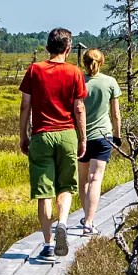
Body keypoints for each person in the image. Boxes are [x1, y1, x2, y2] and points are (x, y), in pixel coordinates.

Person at [18, 28, 87, 260]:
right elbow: (79, 108)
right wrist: (83, 138)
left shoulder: (35, 70)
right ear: (68, 49)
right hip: (67, 134)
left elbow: (25, 105)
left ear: (47, 48)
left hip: (41, 136)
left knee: (44, 192)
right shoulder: (75, 72)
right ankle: (63, 223)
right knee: (65, 186)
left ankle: (48, 245)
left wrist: (23, 135)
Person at [76, 47, 123, 234]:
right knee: (95, 179)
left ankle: (86, 216)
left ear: (84, 63)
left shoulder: (78, 81)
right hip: (103, 136)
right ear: (102, 62)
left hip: (81, 137)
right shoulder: (110, 82)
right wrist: (117, 136)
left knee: (83, 180)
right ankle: (88, 222)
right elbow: (116, 113)